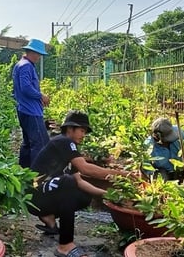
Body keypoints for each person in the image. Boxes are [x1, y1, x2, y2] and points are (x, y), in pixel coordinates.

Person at [28, 110, 130, 257]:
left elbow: (80, 181)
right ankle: (65, 245)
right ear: (70, 129)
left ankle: (48, 216)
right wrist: (123, 175)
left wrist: (109, 195)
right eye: (82, 130)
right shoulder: (63, 141)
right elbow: (86, 169)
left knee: (84, 196)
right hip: (33, 196)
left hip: (43, 196)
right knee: (67, 182)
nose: (84, 135)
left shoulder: (70, 148)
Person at [12, 38, 51, 168]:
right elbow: (26, 87)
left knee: (28, 143)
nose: (38, 57)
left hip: (24, 109)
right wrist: (41, 96)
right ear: (30, 52)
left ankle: (23, 173)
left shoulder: (20, 64)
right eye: (37, 54)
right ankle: (37, 177)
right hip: (31, 111)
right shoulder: (26, 66)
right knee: (40, 144)